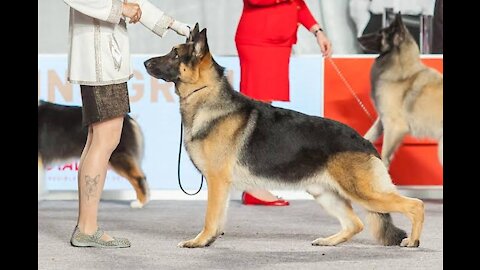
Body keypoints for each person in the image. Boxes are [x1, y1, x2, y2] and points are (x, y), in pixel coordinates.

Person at [64, 0, 190, 248]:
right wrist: (120, 8)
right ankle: (87, 229)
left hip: (106, 57)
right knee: (104, 139)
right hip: (99, 59)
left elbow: (134, 2)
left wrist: (174, 25)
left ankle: (86, 226)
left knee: (99, 139)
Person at [235, 0, 332, 206]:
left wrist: (317, 31)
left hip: (278, 45)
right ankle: (251, 185)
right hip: (257, 41)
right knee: (256, 115)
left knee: (265, 114)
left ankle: (255, 181)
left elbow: (299, 4)